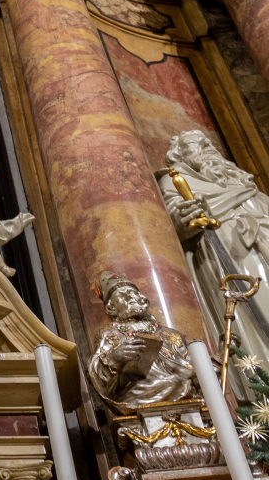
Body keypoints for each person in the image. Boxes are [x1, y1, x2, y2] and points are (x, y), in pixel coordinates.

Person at [159, 130, 269, 369]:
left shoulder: (239, 177)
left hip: (265, 244)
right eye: (196, 144)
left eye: (208, 143)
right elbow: (174, 219)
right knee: (254, 313)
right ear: (180, 155)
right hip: (232, 253)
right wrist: (186, 216)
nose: (207, 146)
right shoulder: (176, 179)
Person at [86, 271, 198, 411]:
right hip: (140, 389)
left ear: (144, 301)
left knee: (184, 382)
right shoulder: (110, 333)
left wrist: (215, 362)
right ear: (111, 308)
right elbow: (94, 368)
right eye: (122, 296)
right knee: (173, 384)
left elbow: (192, 364)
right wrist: (114, 358)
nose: (130, 298)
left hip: (178, 382)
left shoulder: (169, 333)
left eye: (133, 294)